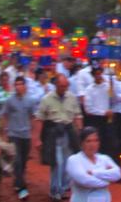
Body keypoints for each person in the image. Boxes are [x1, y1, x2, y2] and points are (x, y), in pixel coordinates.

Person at [36, 73, 82, 202]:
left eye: (65, 86)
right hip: (53, 133)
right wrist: (38, 138)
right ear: (56, 85)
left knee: (68, 162)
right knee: (57, 162)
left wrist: (80, 131)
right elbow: (40, 118)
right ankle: (55, 191)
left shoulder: (72, 98)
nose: (63, 88)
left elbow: (78, 115)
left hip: (68, 131)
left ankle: (62, 188)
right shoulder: (47, 99)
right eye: (61, 86)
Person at [1, 76, 38, 200]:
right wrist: (4, 131)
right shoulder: (10, 100)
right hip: (13, 134)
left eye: (20, 84)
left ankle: (17, 181)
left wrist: (34, 134)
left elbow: (33, 116)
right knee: (17, 161)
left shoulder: (30, 100)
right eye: (16, 84)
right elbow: (4, 115)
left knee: (22, 162)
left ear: (25, 86)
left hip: (26, 135)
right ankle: (22, 189)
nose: (18, 87)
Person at [66, 127, 121, 202]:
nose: (93, 144)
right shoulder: (74, 160)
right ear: (81, 143)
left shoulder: (104, 158)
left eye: (96, 140)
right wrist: (107, 181)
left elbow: (117, 174)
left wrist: (94, 173)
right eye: (88, 141)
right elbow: (85, 180)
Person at [84, 67, 115, 158]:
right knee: (98, 143)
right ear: (93, 76)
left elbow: (113, 99)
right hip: (96, 120)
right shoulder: (89, 89)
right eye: (96, 74)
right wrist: (103, 112)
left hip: (108, 119)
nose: (98, 76)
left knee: (111, 143)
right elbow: (89, 109)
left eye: (99, 73)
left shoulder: (108, 86)